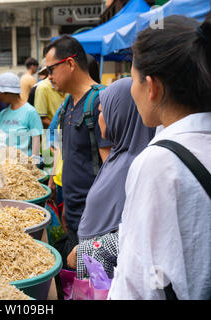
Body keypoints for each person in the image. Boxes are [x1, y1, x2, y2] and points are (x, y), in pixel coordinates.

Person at [108, 14, 211, 300]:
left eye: (133, 78)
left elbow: (139, 282)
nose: (131, 88)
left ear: (152, 87)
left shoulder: (158, 163)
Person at [66, 77, 155, 279]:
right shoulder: (120, 155)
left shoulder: (136, 166)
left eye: (102, 112)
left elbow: (133, 236)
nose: (99, 119)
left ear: (119, 114)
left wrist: (87, 251)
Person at [44, 35, 113, 268]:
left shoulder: (100, 102)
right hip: (72, 212)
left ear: (70, 64)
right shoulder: (67, 105)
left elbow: (111, 167)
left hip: (95, 219)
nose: (49, 76)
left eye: (51, 69)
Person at [0, 72, 43, 157]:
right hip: (3, 164)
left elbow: (36, 141)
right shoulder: (2, 114)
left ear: (8, 92)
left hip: (23, 166)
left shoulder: (30, 112)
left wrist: (33, 164)